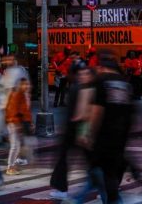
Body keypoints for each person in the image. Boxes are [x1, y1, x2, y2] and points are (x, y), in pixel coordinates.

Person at [72, 49, 132, 204]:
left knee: (100, 171)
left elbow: (97, 111)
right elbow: (132, 110)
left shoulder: (101, 81)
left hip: (104, 134)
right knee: (107, 172)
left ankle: (107, 199)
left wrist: (89, 133)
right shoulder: (125, 82)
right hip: (122, 134)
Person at [49, 61, 92, 200]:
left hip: (74, 129)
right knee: (89, 159)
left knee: (65, 159)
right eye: (82, 73)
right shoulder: (81, 88)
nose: (84, 75)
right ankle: (107, 181)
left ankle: (61, 188)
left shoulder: (78, 88)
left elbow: (81, 111)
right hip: (76, 129)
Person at [5, 77, 33, 174]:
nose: (26, 86)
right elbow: (12, 110)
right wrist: (16, 124)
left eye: (27, 84)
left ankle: (12, 166)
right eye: (24, 84)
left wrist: (29, 122)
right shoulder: (16, 94)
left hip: (16, 123)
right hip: (13, 123)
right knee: (15, 146)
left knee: (16, 146)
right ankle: (10, 167)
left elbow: (25, 111)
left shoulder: (23, 95)